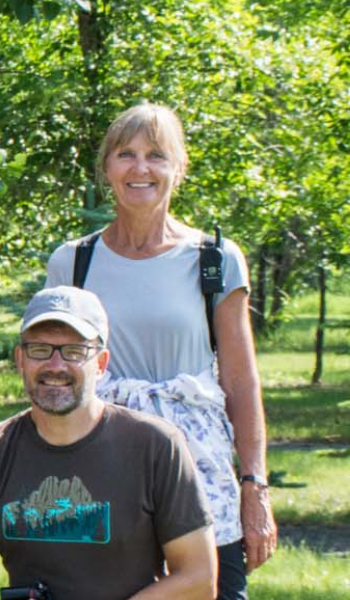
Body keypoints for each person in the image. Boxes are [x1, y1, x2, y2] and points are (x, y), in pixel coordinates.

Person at [44, 103, 275, 598]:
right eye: (125, 154)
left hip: (200, 471)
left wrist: (254, 485)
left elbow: (241, 381)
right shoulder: (74, 261)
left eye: (156, 155)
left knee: (209, 589)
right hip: (102, 467)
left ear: (178, 168)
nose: (140, 168)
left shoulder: (214, 260)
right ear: (107, 167)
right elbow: (51, 374)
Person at [0, 286, 216, 600]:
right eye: (40, 349)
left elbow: (198, 578)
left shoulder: (157, 445)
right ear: (21, 359)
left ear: (101, 363)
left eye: (74, 351)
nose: (56, 365)